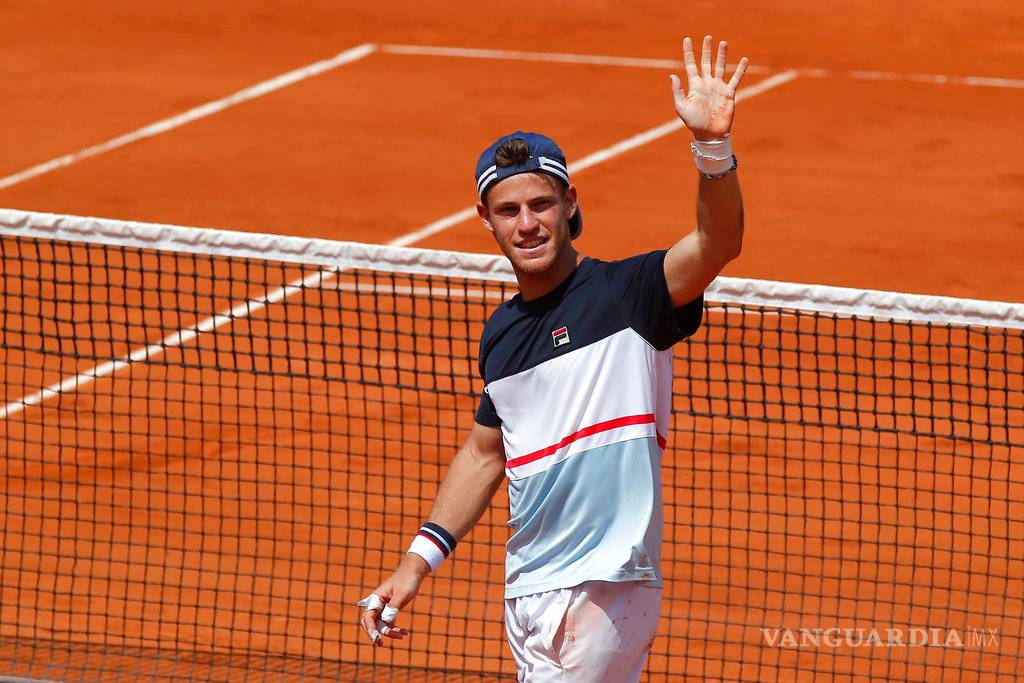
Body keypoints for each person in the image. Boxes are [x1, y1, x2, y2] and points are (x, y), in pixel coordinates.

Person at [359, 35, 749, 682]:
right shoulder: (502, 336)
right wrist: (415, 562)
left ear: (571, 205)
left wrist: (712, 148)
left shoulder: (631, 293)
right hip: (527, 590)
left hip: (608, 583)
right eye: (509, 210)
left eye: (542, 204)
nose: (528, 224)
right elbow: (486, 453)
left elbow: (717, 244)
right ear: (486, 219)